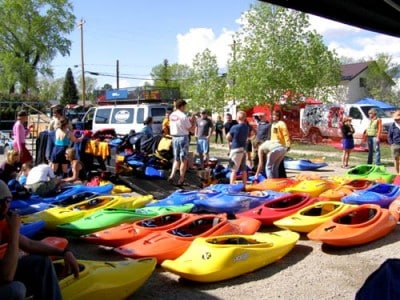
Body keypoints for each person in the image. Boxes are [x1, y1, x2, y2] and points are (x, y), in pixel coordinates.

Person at [0, 179, 79, 299]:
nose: (6, 206)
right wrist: (15, 231)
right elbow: (6, 276)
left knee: (41, 262)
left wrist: (64, 252)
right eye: (2, 202)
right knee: (15, 290)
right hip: (4, 275)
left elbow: (29, 244)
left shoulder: (2, 221)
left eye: (8, 201)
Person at [168, 99, 195, 186]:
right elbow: (191, 129)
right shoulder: (183, 116)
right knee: (184, 159)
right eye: (185, 106)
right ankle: (181, 178)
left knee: (176, 158)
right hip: (183, 137)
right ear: (182, 106)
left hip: (174, 137)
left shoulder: (172, 115)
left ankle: (172, 175)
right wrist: (193, 121)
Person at [226, 111, 249, 185]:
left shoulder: (235, 127)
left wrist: (229, 138)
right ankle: (244, 185)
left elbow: (228, 137)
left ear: (238, 117)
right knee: (243, 169)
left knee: (233, 170)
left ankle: (231, 186)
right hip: (243, 149)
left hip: (235, 149)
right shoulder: (246, 127)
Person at [270, 110, 291, 178]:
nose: (274, 116)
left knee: (279, 163)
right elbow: (273, 135)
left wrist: (288, 144)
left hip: (280, 145)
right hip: (273, 145)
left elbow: (285, 134)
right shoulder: (273, 124)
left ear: (278, 116)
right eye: (273, 115)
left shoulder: (281, 124)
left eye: (275, 115)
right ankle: (280, 177)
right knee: (276, 163)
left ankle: (282, 177)